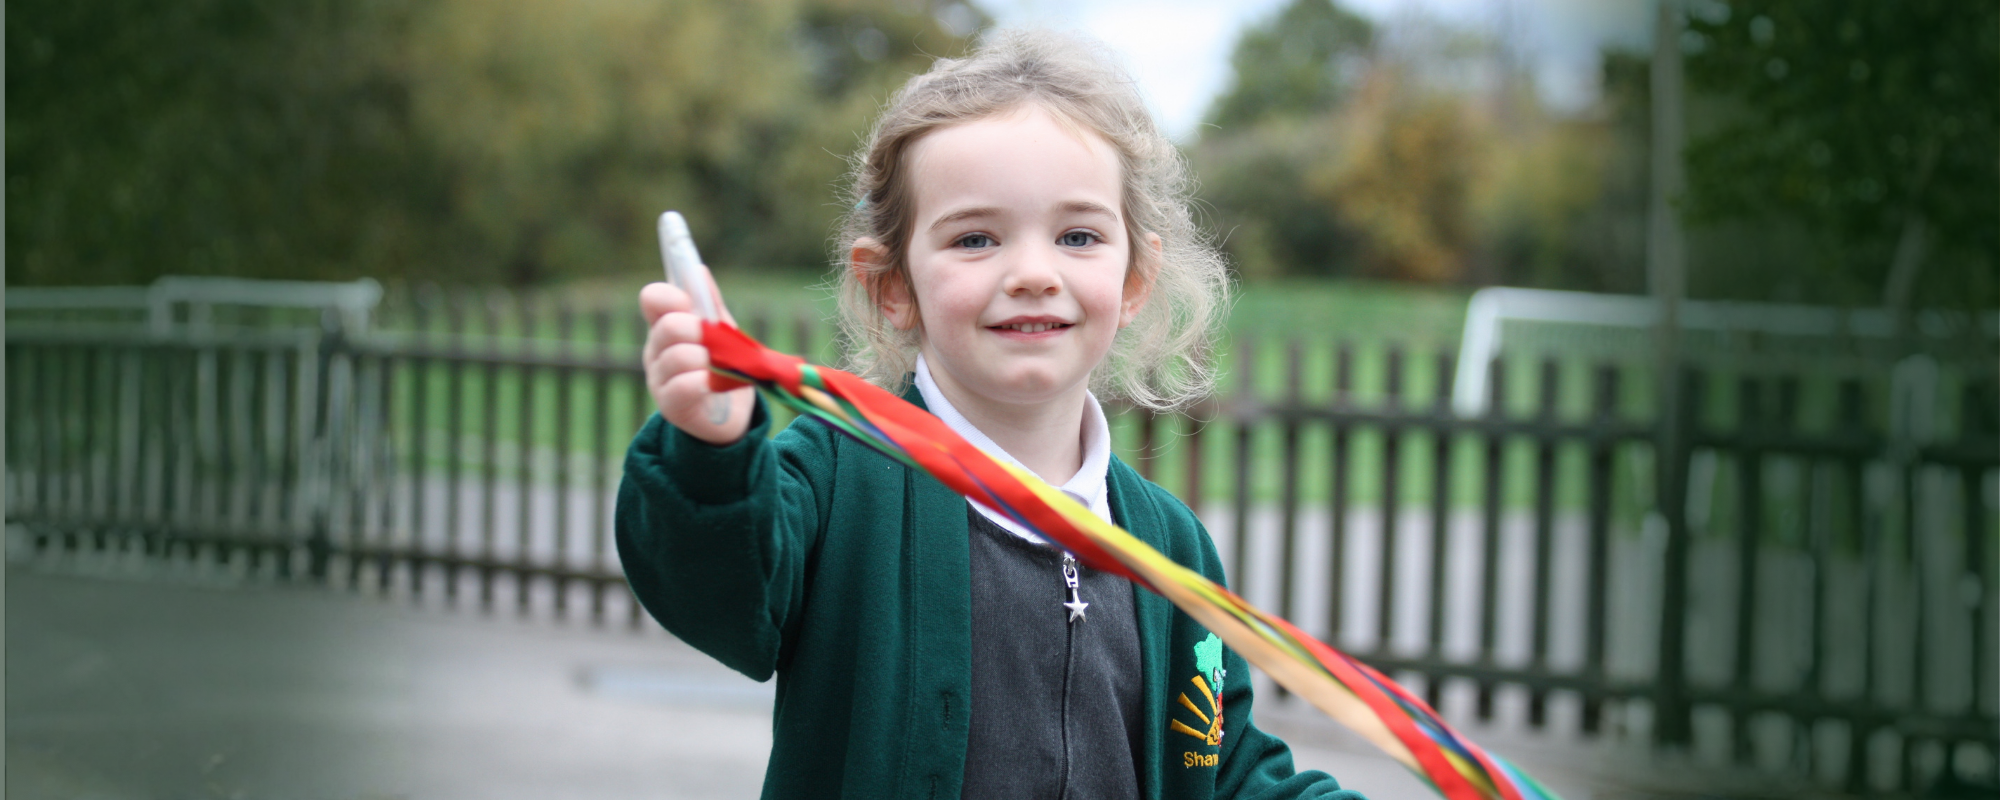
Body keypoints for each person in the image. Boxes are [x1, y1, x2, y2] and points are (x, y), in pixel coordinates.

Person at [618, 28, 1365, 800]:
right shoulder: (837, 477)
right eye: (976, 239)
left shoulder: (1171, 546)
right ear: (892, 286)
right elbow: (717, 592)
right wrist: (710, 452)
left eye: (1078, 236)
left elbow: (1225, 769)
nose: (1034, 273)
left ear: (1134, 279)